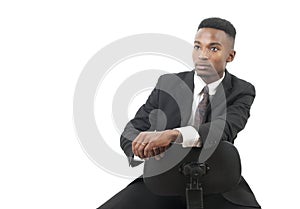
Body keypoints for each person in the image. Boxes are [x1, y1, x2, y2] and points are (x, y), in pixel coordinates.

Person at [98, 17, 261, 209]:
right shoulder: (168, 84)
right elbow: (132, 130)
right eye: (197, 47)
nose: (202, 55)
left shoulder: (241, 90)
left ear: (230, 56)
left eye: (213, 48)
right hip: (162, 179)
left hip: (218, 181)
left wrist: (173, 134)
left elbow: (223, 129)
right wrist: (142, 147)